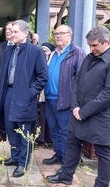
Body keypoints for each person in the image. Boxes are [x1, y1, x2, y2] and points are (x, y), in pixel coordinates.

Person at [46, 26, 110, 187]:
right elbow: (76, 83)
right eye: (90, 45)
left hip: (100, 115)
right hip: (78, 111)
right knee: (72, 143)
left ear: (106, 42)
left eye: (95, 45)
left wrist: (84, 111)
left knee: (103, 152)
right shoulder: (89, 57)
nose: (92, 48)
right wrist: (75, 106)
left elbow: (108, 93)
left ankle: (101, 184)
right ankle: (66, 176)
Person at [0, 19, 48, 178]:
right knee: (10, 127)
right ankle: (15, 157)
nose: (12, 34)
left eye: (16, 31)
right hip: (8, 93)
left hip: (25, 96)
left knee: (24, 131)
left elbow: (43, 77)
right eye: (11, 31)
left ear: (25, 33)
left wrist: (30, 92)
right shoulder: (9, 50)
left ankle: (23, 163)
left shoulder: (36, 51)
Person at [42, 25, 86, 166]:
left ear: (70, 35)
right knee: (54, 131)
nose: (58, 36)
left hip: (65, 100)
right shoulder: (54, 52)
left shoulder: (76, 52)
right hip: (50, 98)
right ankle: (59, 155)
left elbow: (82, 79)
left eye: (62, 33)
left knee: (64, 132)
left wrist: (76, 102)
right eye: (56, 34)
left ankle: (67, 162)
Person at [0, 21, 13, 142]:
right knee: (0, 108)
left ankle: (11, 133)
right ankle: (2, 132)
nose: (7, 31)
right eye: (6, 29)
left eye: (10, 29)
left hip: (13, 86)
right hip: (0, 83)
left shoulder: (19, 47)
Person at [36, 42, 55, 145]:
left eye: (46, 50)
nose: (44, 52)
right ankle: (40, 139)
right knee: (41, 117)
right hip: (39, 94)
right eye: (42, 50)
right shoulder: (38, 60)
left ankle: (49, 139)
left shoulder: (52, 62)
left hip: (49, 94)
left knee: (49, 118)